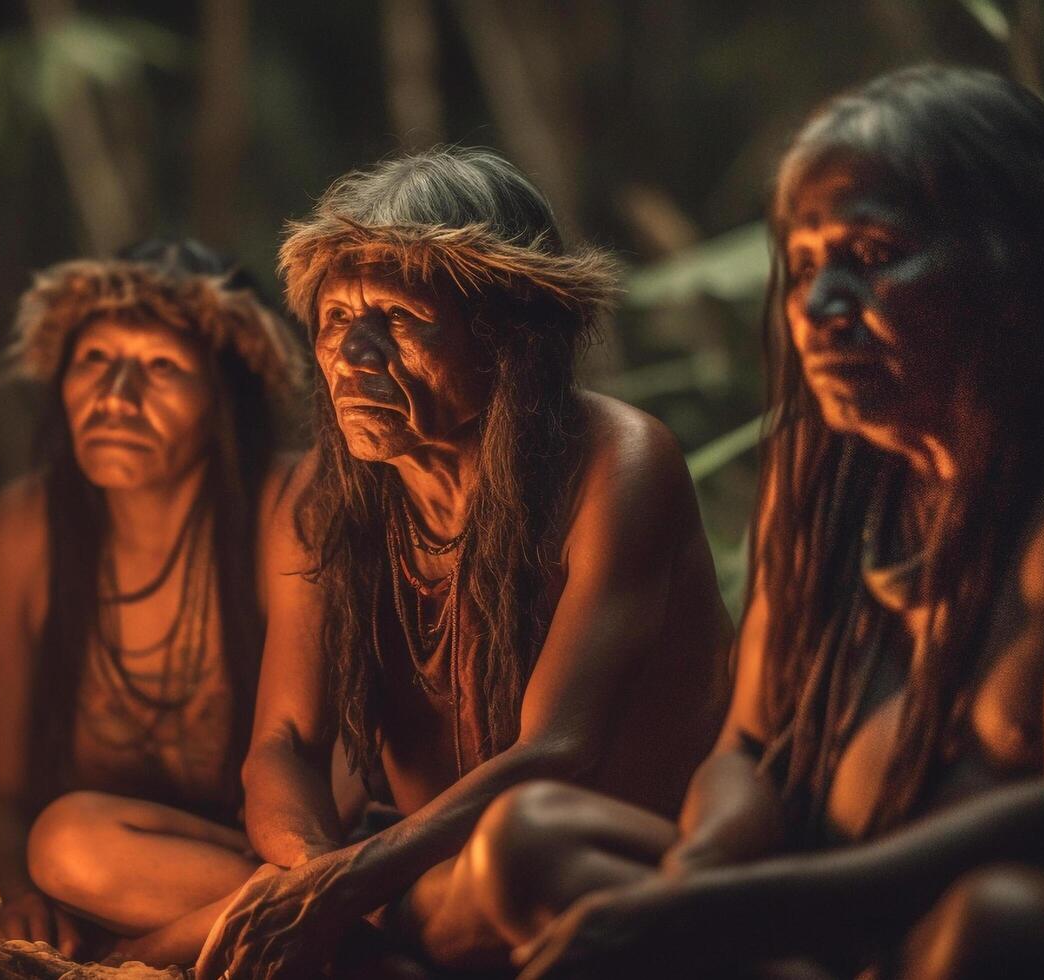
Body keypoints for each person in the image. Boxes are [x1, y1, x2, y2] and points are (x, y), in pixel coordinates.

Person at [473, 65, 1044, 979]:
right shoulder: (828, 462)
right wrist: (693, 884)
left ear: (1011, 258)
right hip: (823, 929)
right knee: (531, 840)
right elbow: (749, 746)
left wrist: (742, 913)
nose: (818, 310)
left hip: (1021, 930)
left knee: (993, 926)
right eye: (804, 267)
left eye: (873, 255)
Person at [194, 147, 732, 978]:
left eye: (400, 321)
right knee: (76, 839)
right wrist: (310, 880)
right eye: (335, 319)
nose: (353, 354)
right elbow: (285, 743)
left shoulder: (617, 462)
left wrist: (336, 895)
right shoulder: (318, 497)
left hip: (583, 869)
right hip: (399, 868)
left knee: (521, 850)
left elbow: (557, 751)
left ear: (509, 337)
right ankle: (373, 949)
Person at [0, 239, 303, 964]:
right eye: (94, 360)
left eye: (161, 367)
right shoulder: (28, 527)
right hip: (110, 879)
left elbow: (325, 783)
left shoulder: (289, 508)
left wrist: (144, 952)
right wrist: (9, 893)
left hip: (290, 870)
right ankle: (362, 930)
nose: (115, 398)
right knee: (64, 843)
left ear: (225, 397)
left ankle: (339, 925)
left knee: (68, 846)